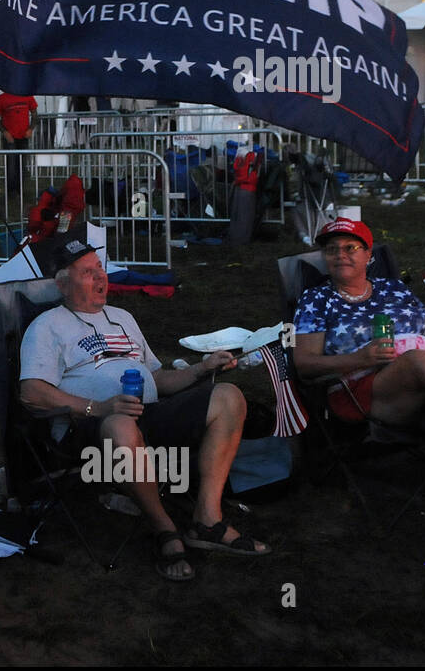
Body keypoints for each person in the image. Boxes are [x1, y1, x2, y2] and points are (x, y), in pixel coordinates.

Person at [19, 238, 272, 581]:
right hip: (88, 428)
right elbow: (31, 392)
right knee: (121, 426)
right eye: (88, 272)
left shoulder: (122, 317)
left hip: (148, 414)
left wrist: (201, 369)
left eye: (100, 269)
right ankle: (163, 526)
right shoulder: (46, 326)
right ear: (63, 283)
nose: (101, 278)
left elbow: (156, 377)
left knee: (228, 395)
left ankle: (207, 520)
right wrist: (99, 407)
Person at [292, 216, 425, 555]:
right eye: (332, 249)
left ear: (369, 256)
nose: (340, 254)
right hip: (359, 392)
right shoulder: (317, 299)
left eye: (351, 247)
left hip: (423, 385)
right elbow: (304, 364)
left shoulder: (397, 290)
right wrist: (362, 358)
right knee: (415, 359)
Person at [0, 92, 37, 196]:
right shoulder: (1, 98)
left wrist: (30, 129)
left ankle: (20, 190)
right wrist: (5, 132)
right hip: (10, 138)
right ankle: (11, 191)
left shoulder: (27, 95)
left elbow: (34, 114)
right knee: (11, 165)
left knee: (22, 164)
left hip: (23, 137)